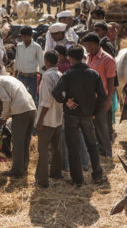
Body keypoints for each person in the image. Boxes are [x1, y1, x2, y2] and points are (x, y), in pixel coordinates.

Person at [52, 45, 107, 186]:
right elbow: (102, 96)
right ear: (82, 56)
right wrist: (94, 112)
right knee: (92, 145)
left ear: (70, 59)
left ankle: (78, 180)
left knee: (73, 147)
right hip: (88, 115)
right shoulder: (93, 74)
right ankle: (97, 176)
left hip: (72, 116)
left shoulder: (68, 74)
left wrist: (66, 101)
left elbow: (56, 93)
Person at [0, 73, 36, 178]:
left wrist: (3, 118)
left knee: (17, 143)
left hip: (20, 111)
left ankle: (16, 171)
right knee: (25, 142)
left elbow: (6, 100)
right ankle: (23, 168)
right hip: (32, 108)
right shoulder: (10, 78)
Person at [83, 33, 116, 158]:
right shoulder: (88, 57)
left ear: (94, 44)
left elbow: (111, 80)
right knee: (94, 126)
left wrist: (108, 101)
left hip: (101, 98)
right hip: (91, 97)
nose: (86, 48)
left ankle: (107, 153)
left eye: (87, 45)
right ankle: (100, 151)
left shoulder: (107, 59)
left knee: (102, 127)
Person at [35, 50, 63, 188]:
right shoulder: (60, 74)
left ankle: (42, 180)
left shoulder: (47, 76)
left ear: (46, 61)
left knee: (43, 150)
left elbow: (47, 101)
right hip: (58, 118)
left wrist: (40, 120)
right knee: (56, 148)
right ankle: (56, 173)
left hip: (47, 119)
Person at [15, 25, 44, 106]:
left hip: (32, 77)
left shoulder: (37, 47)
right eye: (23, 37)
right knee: (20, 97)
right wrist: (15, 73)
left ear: (31, 35)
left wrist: (41, 76)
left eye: (26, 37)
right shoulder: (19, 46)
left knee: (33, 99)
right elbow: (17, 60)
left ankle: (35, 117)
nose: (24, 39)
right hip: (21, 76)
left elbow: (41, 62)